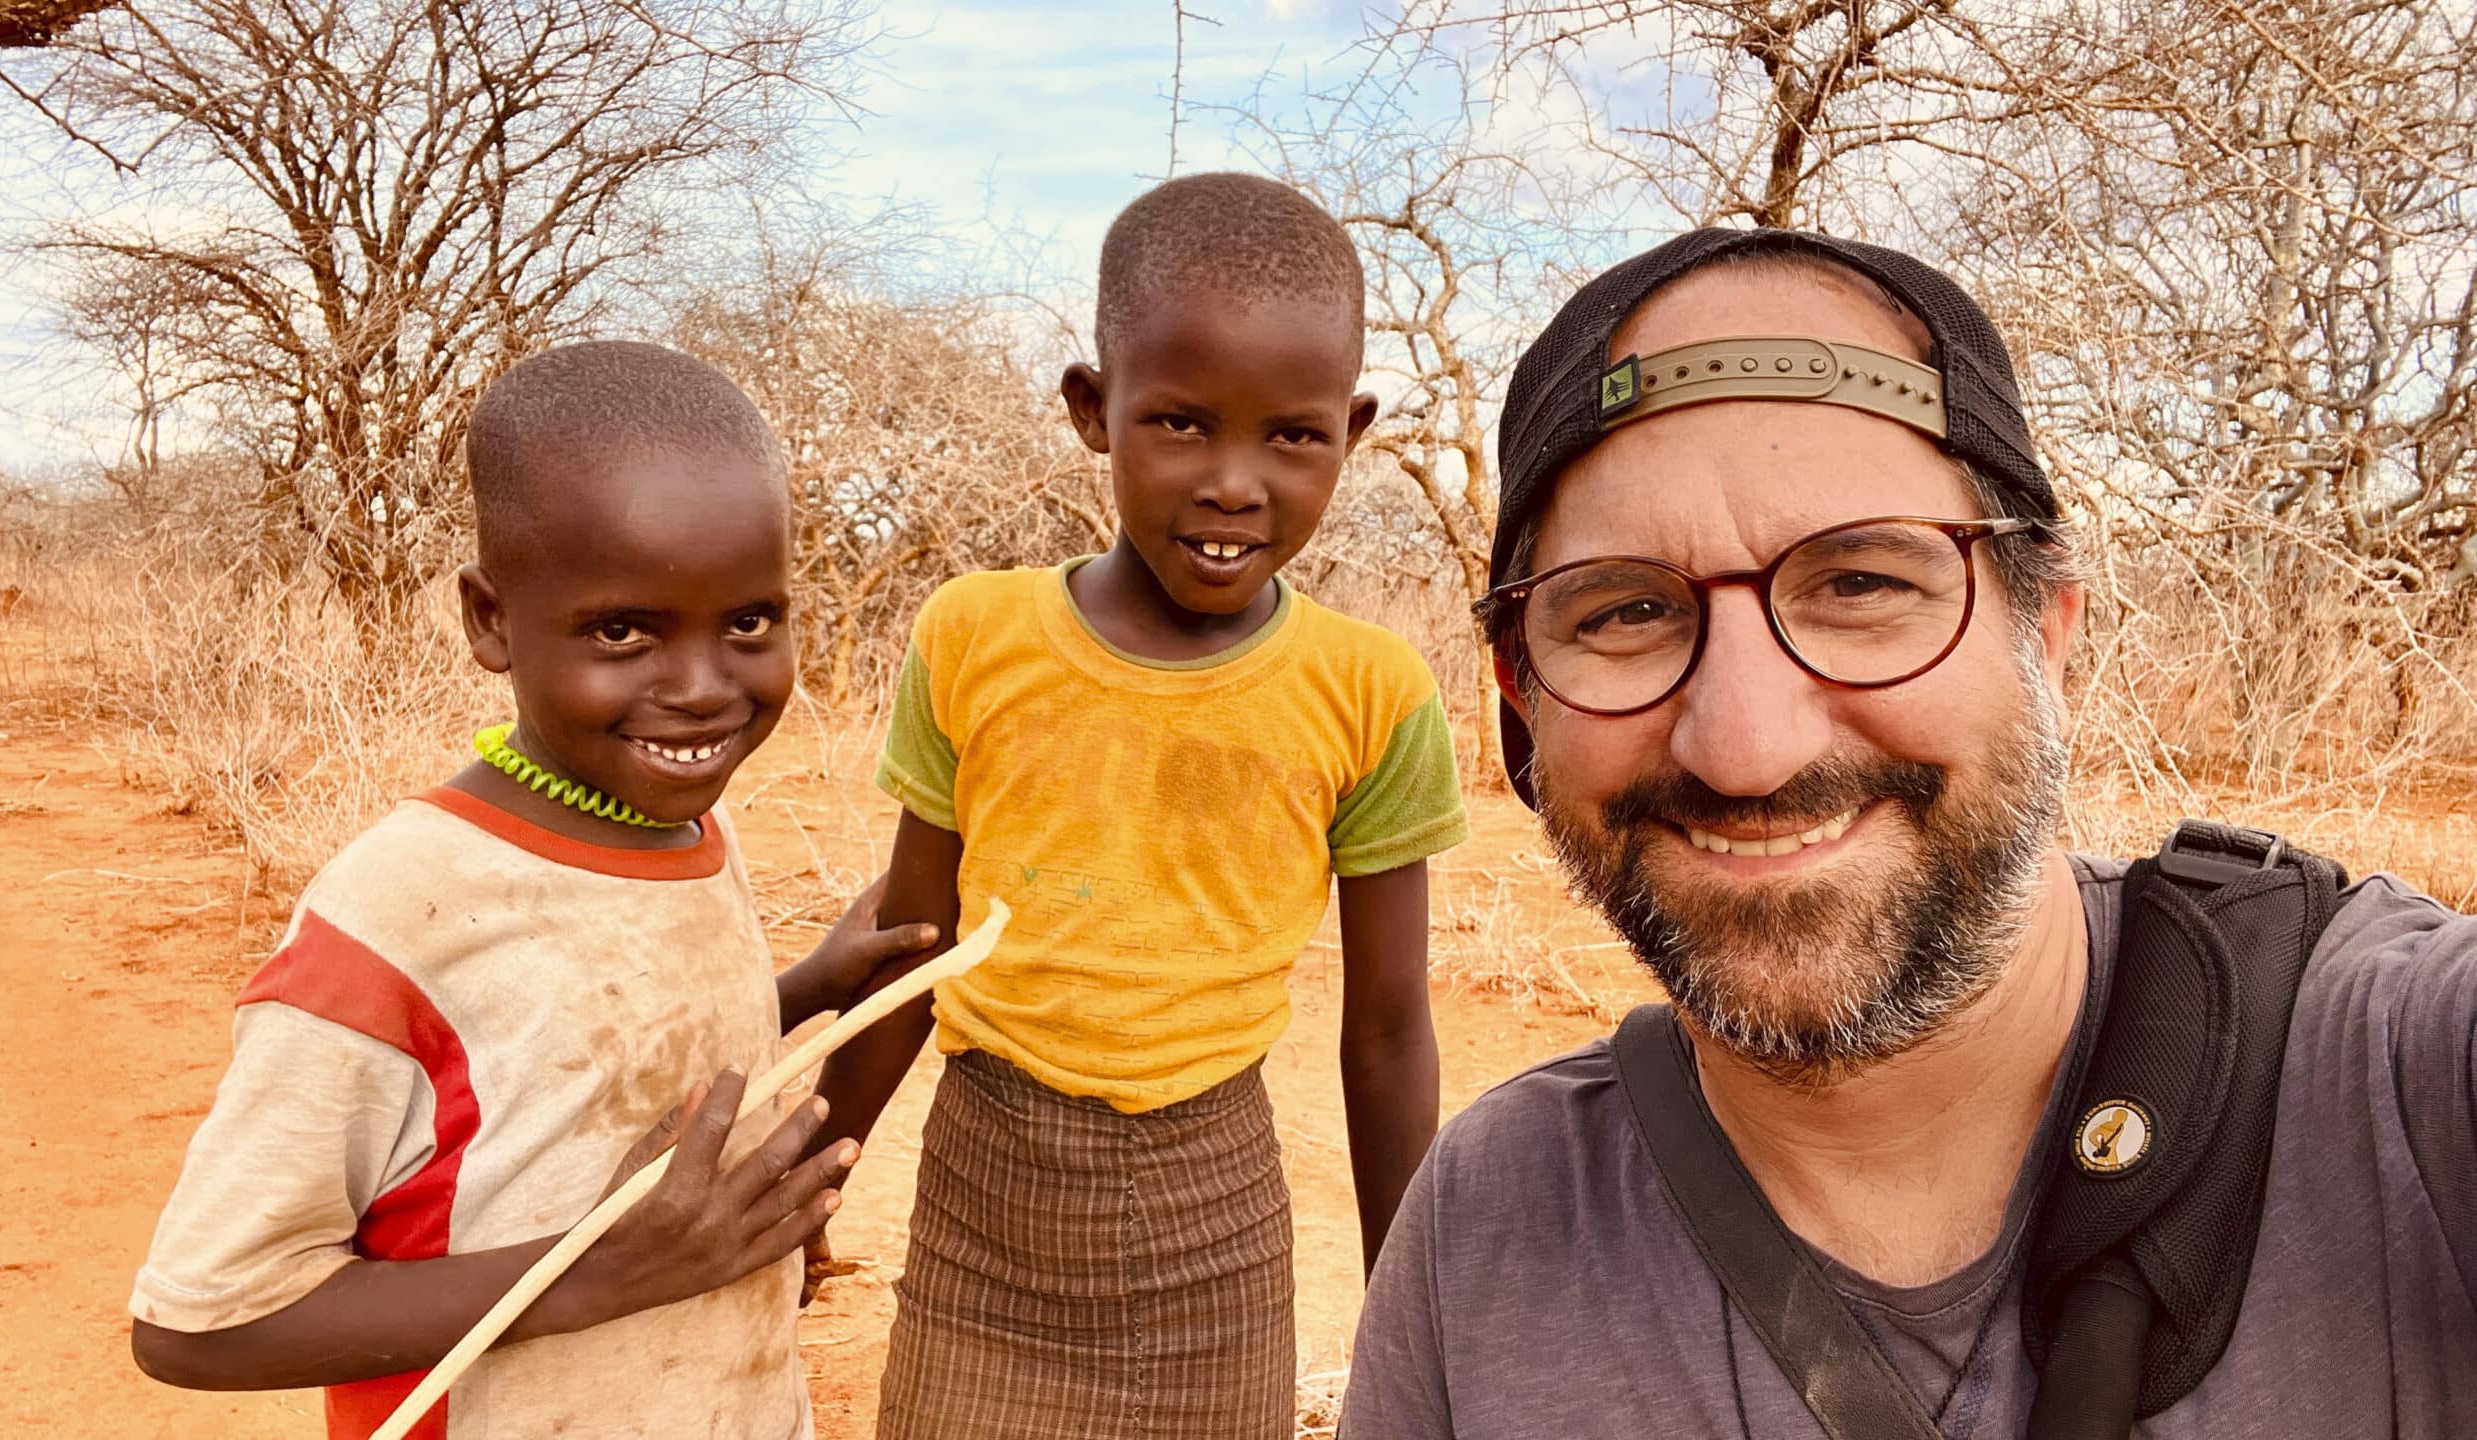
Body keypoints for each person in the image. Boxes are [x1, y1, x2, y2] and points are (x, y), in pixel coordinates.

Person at [1341, 228, 2477, 1436]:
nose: (1744, 748)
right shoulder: (1488, 1223)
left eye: (1863, 585)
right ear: (1522, 704)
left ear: (2046, 635)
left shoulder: (2400, 1082)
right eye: (1625, 611)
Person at [127, 341, 940, 1440]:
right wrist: (596, 1274)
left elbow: (562, 1071)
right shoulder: (394, 916)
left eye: (749, 622)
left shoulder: (690, 828)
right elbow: (201, 1323)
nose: (702, 691)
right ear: (489, 621)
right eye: (622, 631)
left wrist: (800, 988)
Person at [801, 171, 1469, 1439]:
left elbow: (1387, 1033)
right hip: (983, 1220)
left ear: (1353, 429)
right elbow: (909, 944)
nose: (1233, 483)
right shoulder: (973, 637)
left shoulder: (1371, 691)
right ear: (1090, 413)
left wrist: (1408, 1302)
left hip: (1214, 1231)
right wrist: (813, 1186)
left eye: (1292, 435)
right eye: (1177, 425)